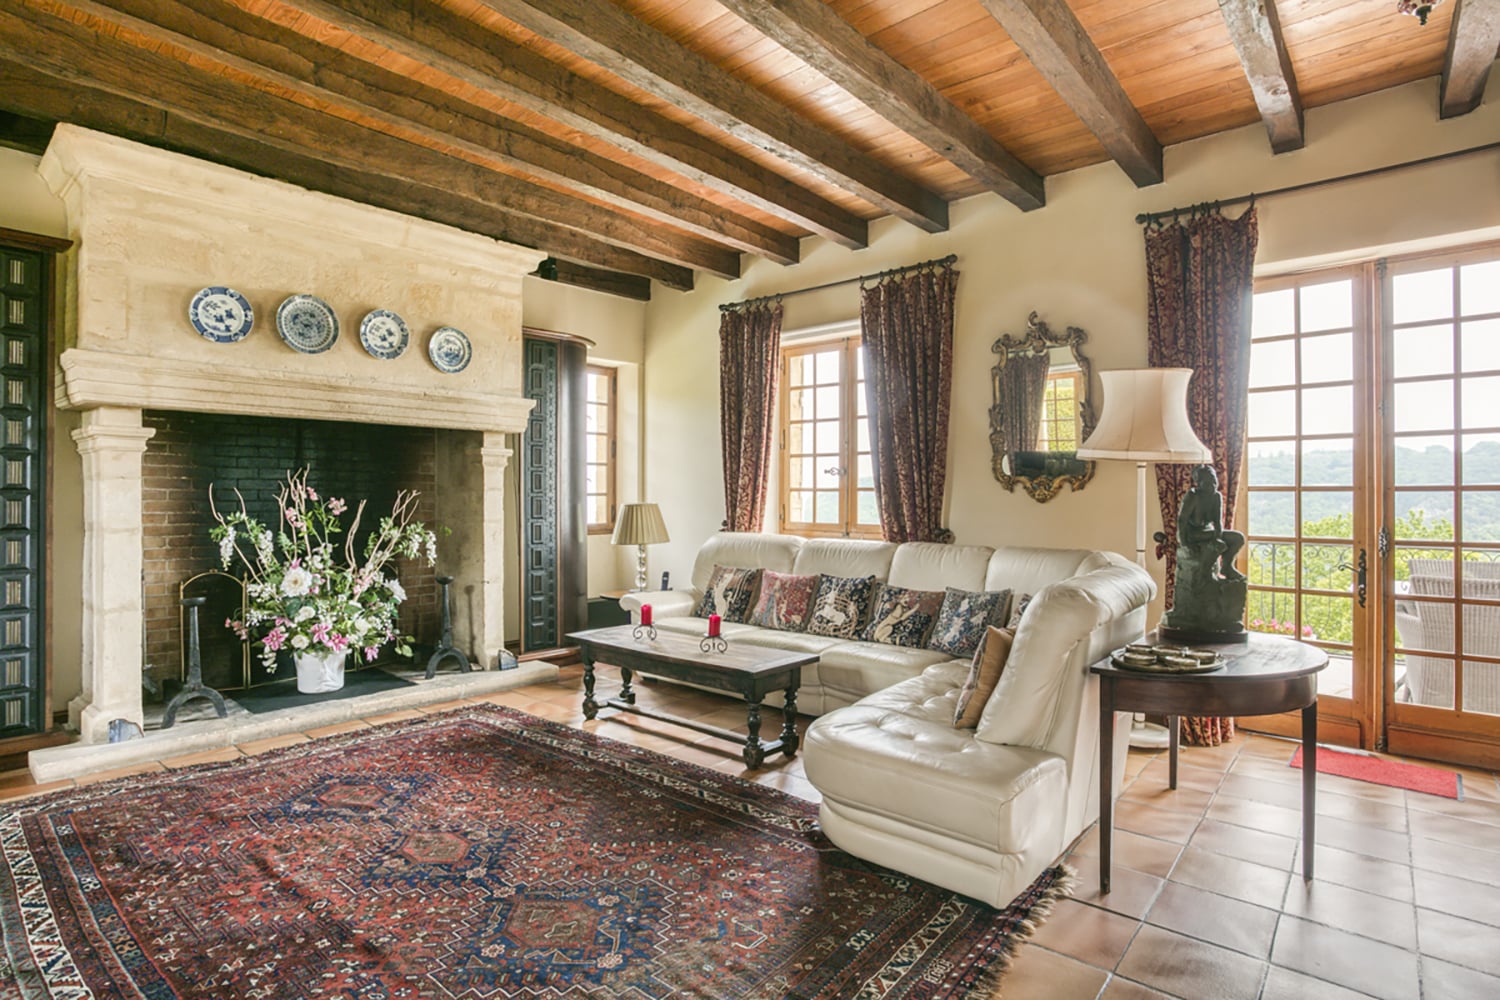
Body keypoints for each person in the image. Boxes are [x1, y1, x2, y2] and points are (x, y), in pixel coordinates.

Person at [1177, 464, 1245, 582]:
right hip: (1192, 534)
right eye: (1208, 482)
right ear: (1199, 483)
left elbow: (1218, 522)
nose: (1212, 485)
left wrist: (1217, 538)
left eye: (1214, 480)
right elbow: (1182, 520)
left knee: (1238, 538)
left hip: (1208, 532)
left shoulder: (1216, 496)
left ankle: (1227, 566)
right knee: (1217, 544)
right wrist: (1184, 543)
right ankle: (1205, 575)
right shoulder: (1193, 496)